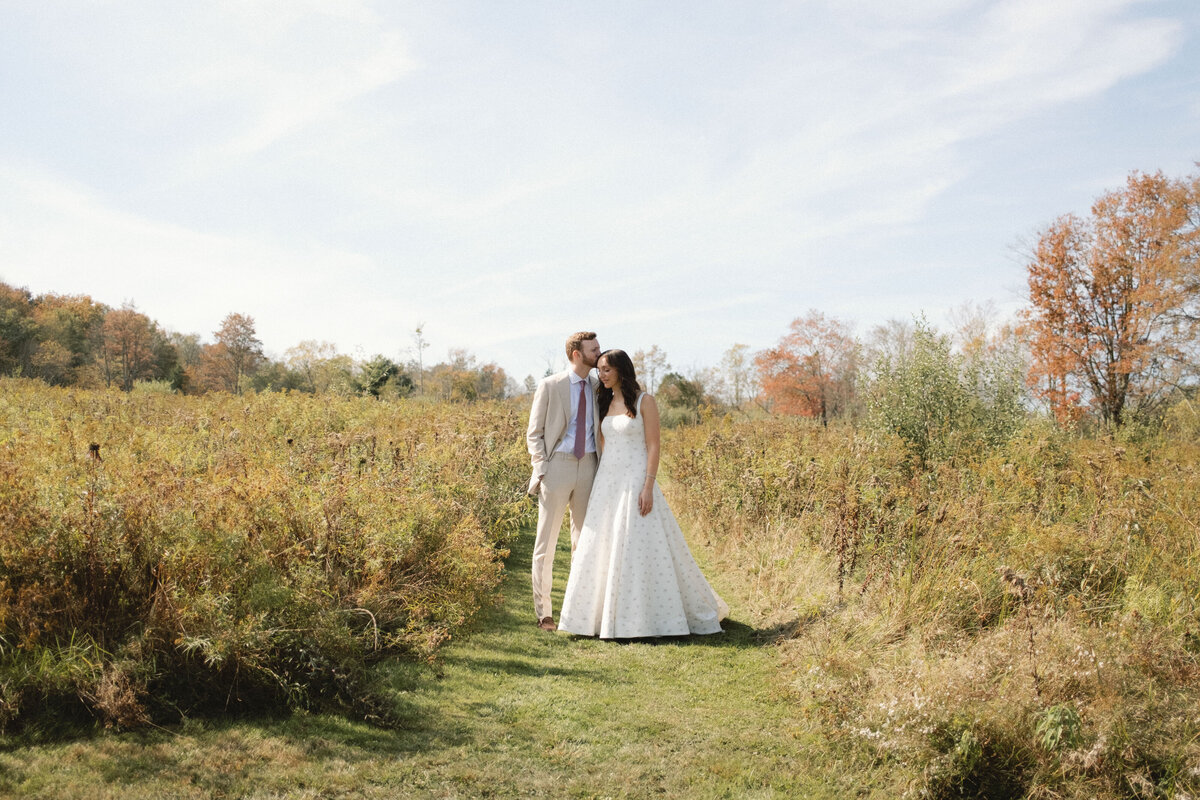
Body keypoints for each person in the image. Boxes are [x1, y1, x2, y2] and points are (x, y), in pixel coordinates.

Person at [557, 348, 728, 639]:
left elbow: (653, 445)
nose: (602, 375)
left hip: (636, 479)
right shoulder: (603, 401)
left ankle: (645, 619)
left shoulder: (644, 401)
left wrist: (648, 485)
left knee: (637, 544)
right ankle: (596, 618)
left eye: (607, 369)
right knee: (602, 545)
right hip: (607, 482)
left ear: (622, 370)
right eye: (599, 370)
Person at [526, 331, 602, 631]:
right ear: (576, 354)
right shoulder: (550, 385)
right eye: (593, 350)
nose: (599, 354)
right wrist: (542, 467)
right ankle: (544, 613)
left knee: (584, 543)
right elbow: (534, 433)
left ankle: (578, 611)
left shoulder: (599, 386)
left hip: (590, 466)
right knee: (546, 543)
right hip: (557, 465)